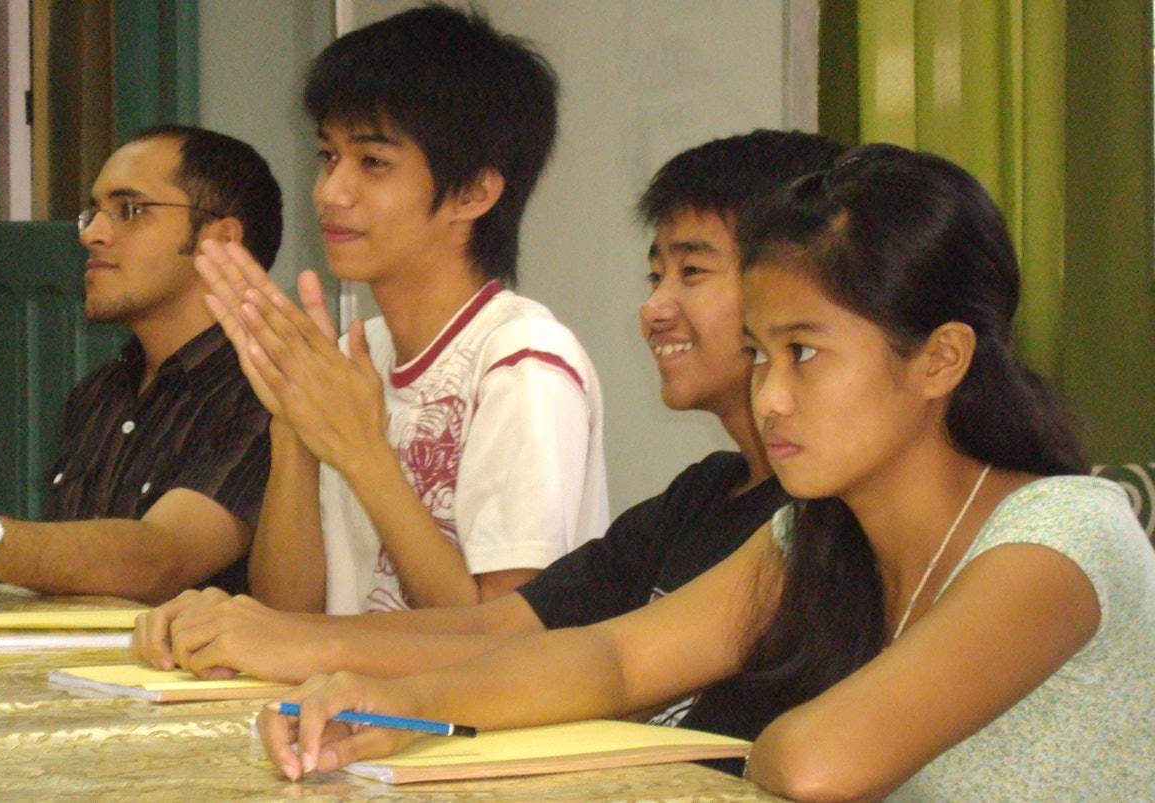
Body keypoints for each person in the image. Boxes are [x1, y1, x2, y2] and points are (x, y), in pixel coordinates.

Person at [255, 144, 1155, 799]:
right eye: (762, 354)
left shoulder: (1067, 533)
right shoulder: (820, 530)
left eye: (807, 352)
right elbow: (613, 656)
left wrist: (728, 747)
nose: (772, 398)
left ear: (941, 359)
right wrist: (397, 705)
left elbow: (813, 763)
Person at [134, 132, 844, 766]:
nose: (655, 308)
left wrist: (321, 647)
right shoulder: (703, 493)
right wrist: (294, 639)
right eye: (654, 275)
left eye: (692, 274)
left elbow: (597, 659)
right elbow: (521, 630)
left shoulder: (525, 361)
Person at [184, 3, 609, 617]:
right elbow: (290, 613)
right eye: (328, 156)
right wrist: (293, 425)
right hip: (351, 703)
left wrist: (361, 450)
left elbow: (500, 643)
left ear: (474, 192)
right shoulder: (356, 356)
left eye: (373, 162)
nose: (331, 193)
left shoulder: (523, 363)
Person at [0, 125, 281, 604]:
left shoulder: (268, 388)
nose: (92, 234)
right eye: (94, 212)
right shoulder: (99, 392)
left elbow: (161, 560)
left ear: (221, 239)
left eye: (131, 210)